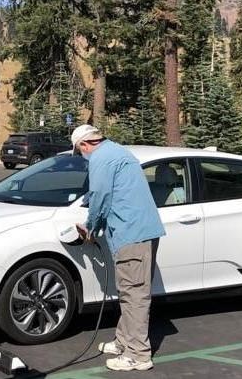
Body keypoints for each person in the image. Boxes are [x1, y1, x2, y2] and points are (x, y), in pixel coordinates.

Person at [71, 124, 165, 372]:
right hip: (139, 230)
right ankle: (123, 342)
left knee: (134, 295)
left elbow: (101, 194)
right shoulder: (117, 151)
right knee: (130, 292)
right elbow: (111, 191)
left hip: (131, 233)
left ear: (84, 145)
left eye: (79, 152)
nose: (82, 157)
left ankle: (138, 354)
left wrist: (90, 226)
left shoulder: (100, 157)